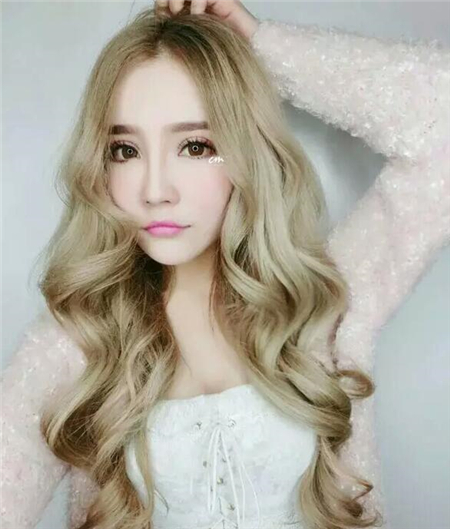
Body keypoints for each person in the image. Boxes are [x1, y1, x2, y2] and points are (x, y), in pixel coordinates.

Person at [1, 1, 449, 528]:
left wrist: (262, 46)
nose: (155, 190)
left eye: (195, 146)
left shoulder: (323, 304)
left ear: (244, 151)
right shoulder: (79, 341)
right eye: (125, 150)